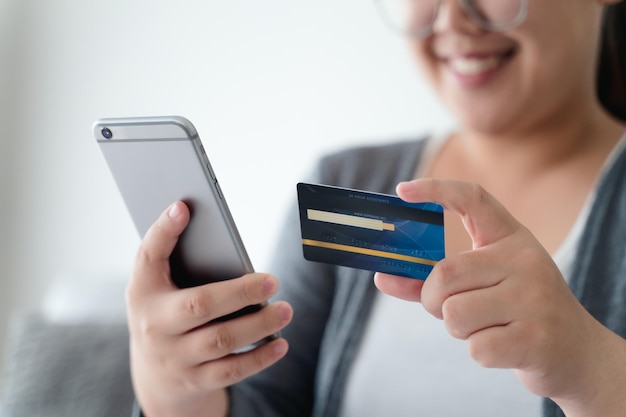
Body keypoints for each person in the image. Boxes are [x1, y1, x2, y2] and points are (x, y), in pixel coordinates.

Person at [126, 0, 626, 416]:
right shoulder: (349, 187)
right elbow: (268, 403)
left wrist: (591, 367)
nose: (452, 19)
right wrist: (175, 393)